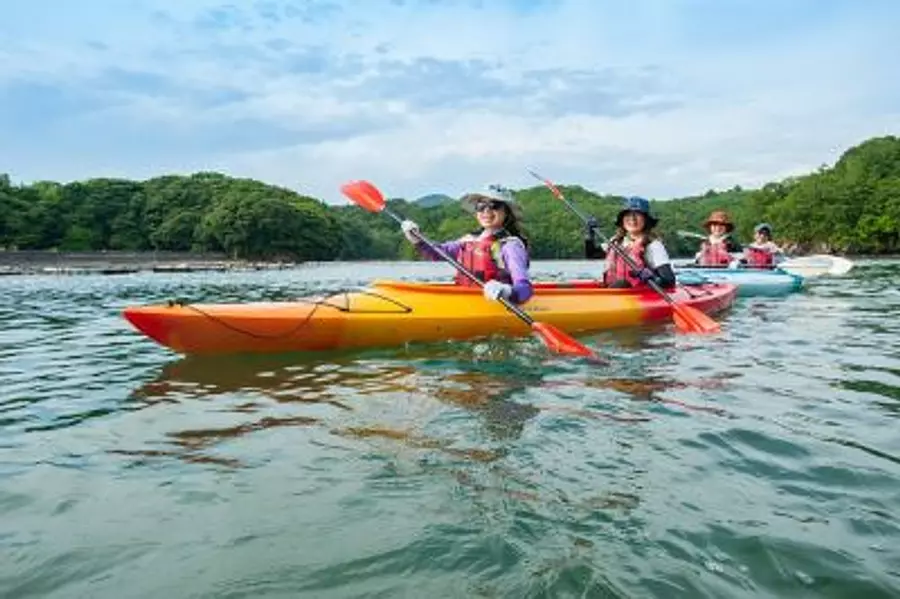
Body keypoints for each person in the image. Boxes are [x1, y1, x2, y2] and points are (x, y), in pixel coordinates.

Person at [399, 185, 534, 304]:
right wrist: (417, 239)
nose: (486, 211)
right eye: (481, 206)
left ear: (506, 212)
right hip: (465, 298)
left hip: (497, 301)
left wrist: (506, 291)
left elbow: (525, 289)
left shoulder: (510, 246)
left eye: (494, 205)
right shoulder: (469, 240)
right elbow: (436, 253)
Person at [585, 196, 676, 289]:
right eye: (628, 215)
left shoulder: (653, 246)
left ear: (646, 220)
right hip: (612, 292)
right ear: (622, 220)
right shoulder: (616, 241)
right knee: (620, 284)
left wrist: (652, 277)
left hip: (639, 294)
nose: (632, 219)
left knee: (622, 283)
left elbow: (669, 280)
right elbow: (592, 254)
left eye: (637, 215)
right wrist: (590, 234)